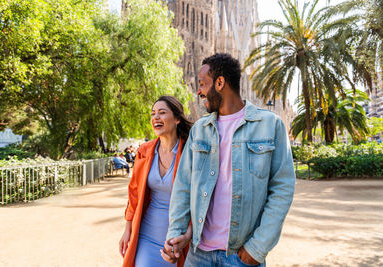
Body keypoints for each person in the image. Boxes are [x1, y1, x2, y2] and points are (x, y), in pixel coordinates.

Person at [162, 53, 296, 266]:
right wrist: (175, 234)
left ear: (220, 82)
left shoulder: (270, 125)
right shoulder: (200, 130)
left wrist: (258, 247)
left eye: (203, 84)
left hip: (241, 256)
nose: (198, 91)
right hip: (199, 255)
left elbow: (282, 189)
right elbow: (183, 187)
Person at [119, 96, 193, 267]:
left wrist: (189, 233)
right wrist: (128, 229)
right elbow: (134, 192)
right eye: (153, 114)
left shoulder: (190, 152)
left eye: (162, 113)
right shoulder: (145, 151)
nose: (155, 118)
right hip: (147, 235)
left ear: (176, 119)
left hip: (178, 238)